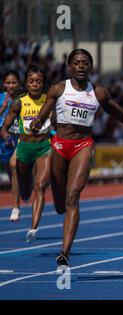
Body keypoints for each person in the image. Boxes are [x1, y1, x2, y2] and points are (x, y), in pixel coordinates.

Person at [29, 49, 123, 267]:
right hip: (59, 145)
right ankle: (61, 210)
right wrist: (38, 122)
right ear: (69, 66)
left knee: (73, 196)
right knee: (59, 205)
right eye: (77, 63)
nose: (81, 66)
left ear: (91, 67)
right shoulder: (58, 89)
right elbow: (43, 114)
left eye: (85, 63)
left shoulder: (99, 93)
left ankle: (64, 253)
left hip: (83, 146)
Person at [1, 65, 51, 242]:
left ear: (43, 83)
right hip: (24, 148)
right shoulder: (19, 102)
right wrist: (6, 135)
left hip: (44, 147)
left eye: (38, 81)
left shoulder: (49, 101)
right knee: (26, 191)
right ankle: (21, 197)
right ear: (26, 83)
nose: (35, 85)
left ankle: (34, 227)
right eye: (32, 81)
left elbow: (59, 124)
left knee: (40, 186)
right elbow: (4, 127)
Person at [0, 71, 21, 222]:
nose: (11, 85)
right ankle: (23, 191)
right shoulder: (1, 98)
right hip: (3, 140)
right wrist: (3, 107)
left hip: (19, 139)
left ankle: (15, 207)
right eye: (8, 82)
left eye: (14, 82)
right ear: (4, 84)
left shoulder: (22, 99)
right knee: (10, 170)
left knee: (15, 169)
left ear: (19, 84)